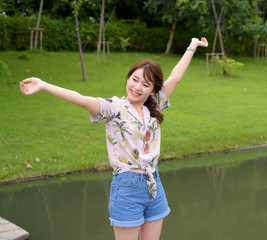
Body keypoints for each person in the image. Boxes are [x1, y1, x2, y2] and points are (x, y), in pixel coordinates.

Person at [19, 37, 208, 240]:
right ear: (127, 79)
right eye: (134, 79)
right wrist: (44, 85)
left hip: (154, 183)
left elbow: (176, 76)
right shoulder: (114, 107)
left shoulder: (154, 104)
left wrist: (192, 45)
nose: (137, 87)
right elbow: (80, 99)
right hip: (127, 186)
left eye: (145, 84)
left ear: (153, 89)